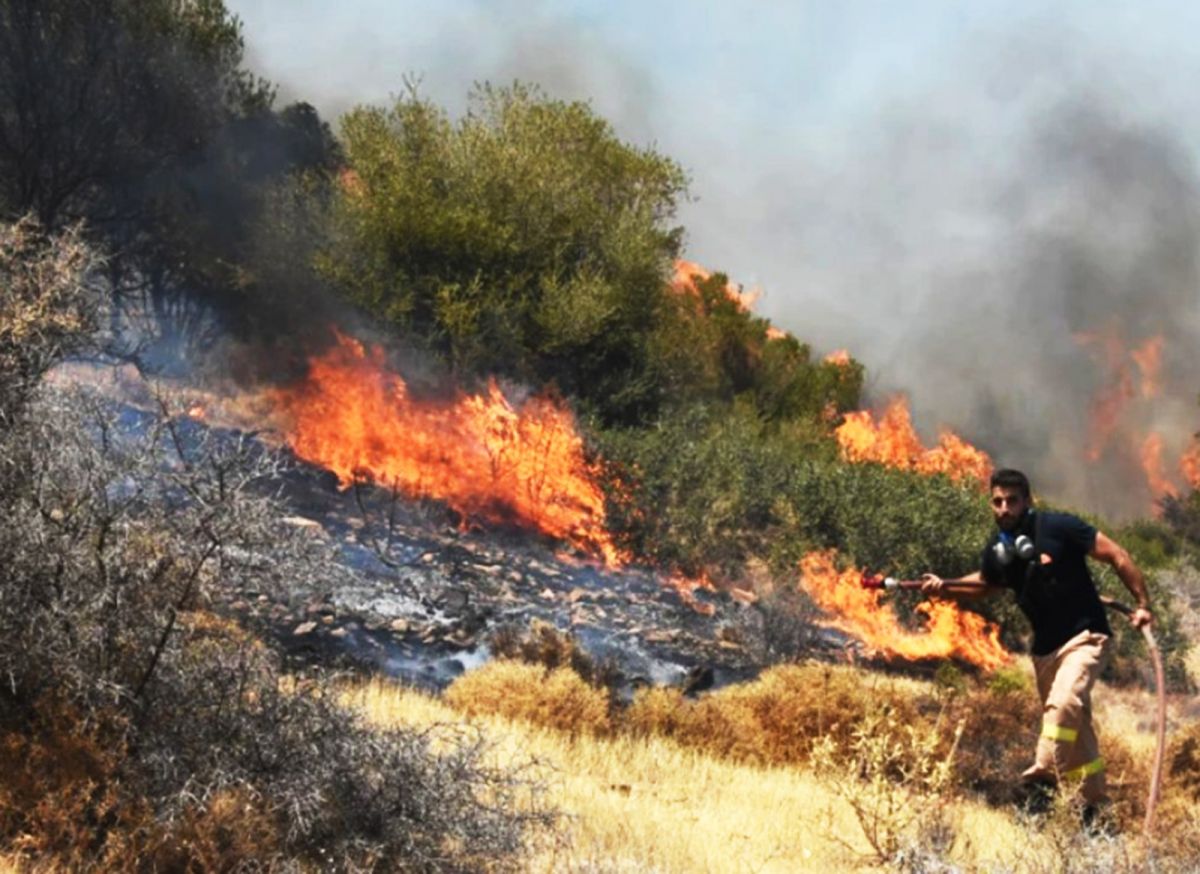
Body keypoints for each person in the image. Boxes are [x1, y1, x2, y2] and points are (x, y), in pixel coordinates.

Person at [920, 468, 1152, 814]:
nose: (1004, 508)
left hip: (1086, 636)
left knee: (1064, 702)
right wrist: (946, 586)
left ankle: (1040, 782)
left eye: (1012, 501)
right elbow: (985, 584)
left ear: (1028, 501)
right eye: (997, 501)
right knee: (1076, 735)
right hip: (1045, 652)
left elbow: (1117, 555)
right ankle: (1096, 810)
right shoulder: (999, 550)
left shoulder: (1059, 528)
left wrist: (1143, 605)